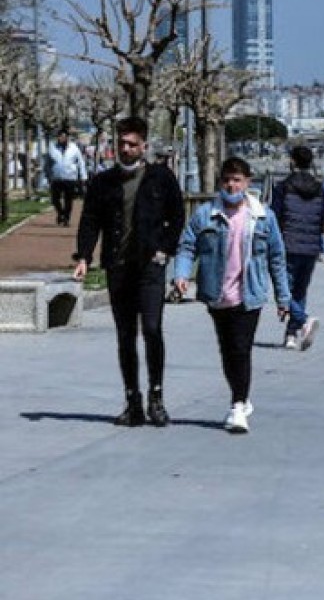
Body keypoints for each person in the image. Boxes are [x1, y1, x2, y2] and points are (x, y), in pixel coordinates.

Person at [73, 116, 185, 427]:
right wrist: (83, 256)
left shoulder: (160, 177)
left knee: (151, 330)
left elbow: (177, 216)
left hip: (150, 266)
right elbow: (90, 220)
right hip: (118, 267)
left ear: (143, 146)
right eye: (121, 143)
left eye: (132, 144)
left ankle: (156, 397)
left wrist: (165, 249)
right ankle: (132, 399)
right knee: (125, 336)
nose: (126, 149)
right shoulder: (102, 182)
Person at [173, 157, 290, 434]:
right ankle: (242, 395)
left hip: (250, 294)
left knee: (241, 348)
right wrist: (180, 274)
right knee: (227, 351)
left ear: (248, 183)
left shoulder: (263, 217)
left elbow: (277, 258)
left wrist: (283, 298)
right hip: (217, 293)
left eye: (237, 180)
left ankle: (237, 406)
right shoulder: (206, 214)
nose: (231, 185)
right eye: (227, 179)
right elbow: (187, 245)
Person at [271, 146, 324, 351]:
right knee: (299, 290)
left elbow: (274, 218)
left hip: (287, 245)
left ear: (292, 162)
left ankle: (303, 321)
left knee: (283, 289)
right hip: (311, 247)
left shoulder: (282, 187)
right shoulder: (319, 189)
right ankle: (291, 334)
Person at [45, 128, 87, 227]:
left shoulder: (74, 148)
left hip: (70, 178)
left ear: (67, 138)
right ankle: (60, 213)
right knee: (55, 199)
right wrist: (47, 176)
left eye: (64, 136)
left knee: (68, 200)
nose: (62, 138)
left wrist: (83, 176)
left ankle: (66, 218)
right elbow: (47, 163)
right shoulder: (52, 148)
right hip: (56, 178)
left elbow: (80, 162)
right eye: (60, 136)